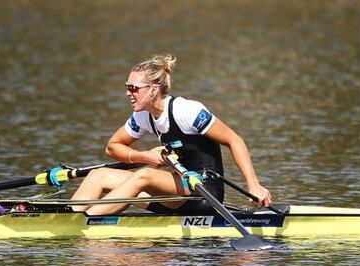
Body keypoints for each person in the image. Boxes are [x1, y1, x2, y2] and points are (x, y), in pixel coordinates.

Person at [71, 54, 272, 215]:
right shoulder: (143, 115)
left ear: (153, 90)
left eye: (134, 88)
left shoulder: (186, 111)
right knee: (98, 176)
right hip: (174, 195)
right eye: (127, 87)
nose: (128, 93)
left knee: (145, 175)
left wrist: (253, 185)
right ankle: (67, 217)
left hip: (203, 193)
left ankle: (85, 222)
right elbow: (112, 147)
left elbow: (234, 140)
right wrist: (146, 156)